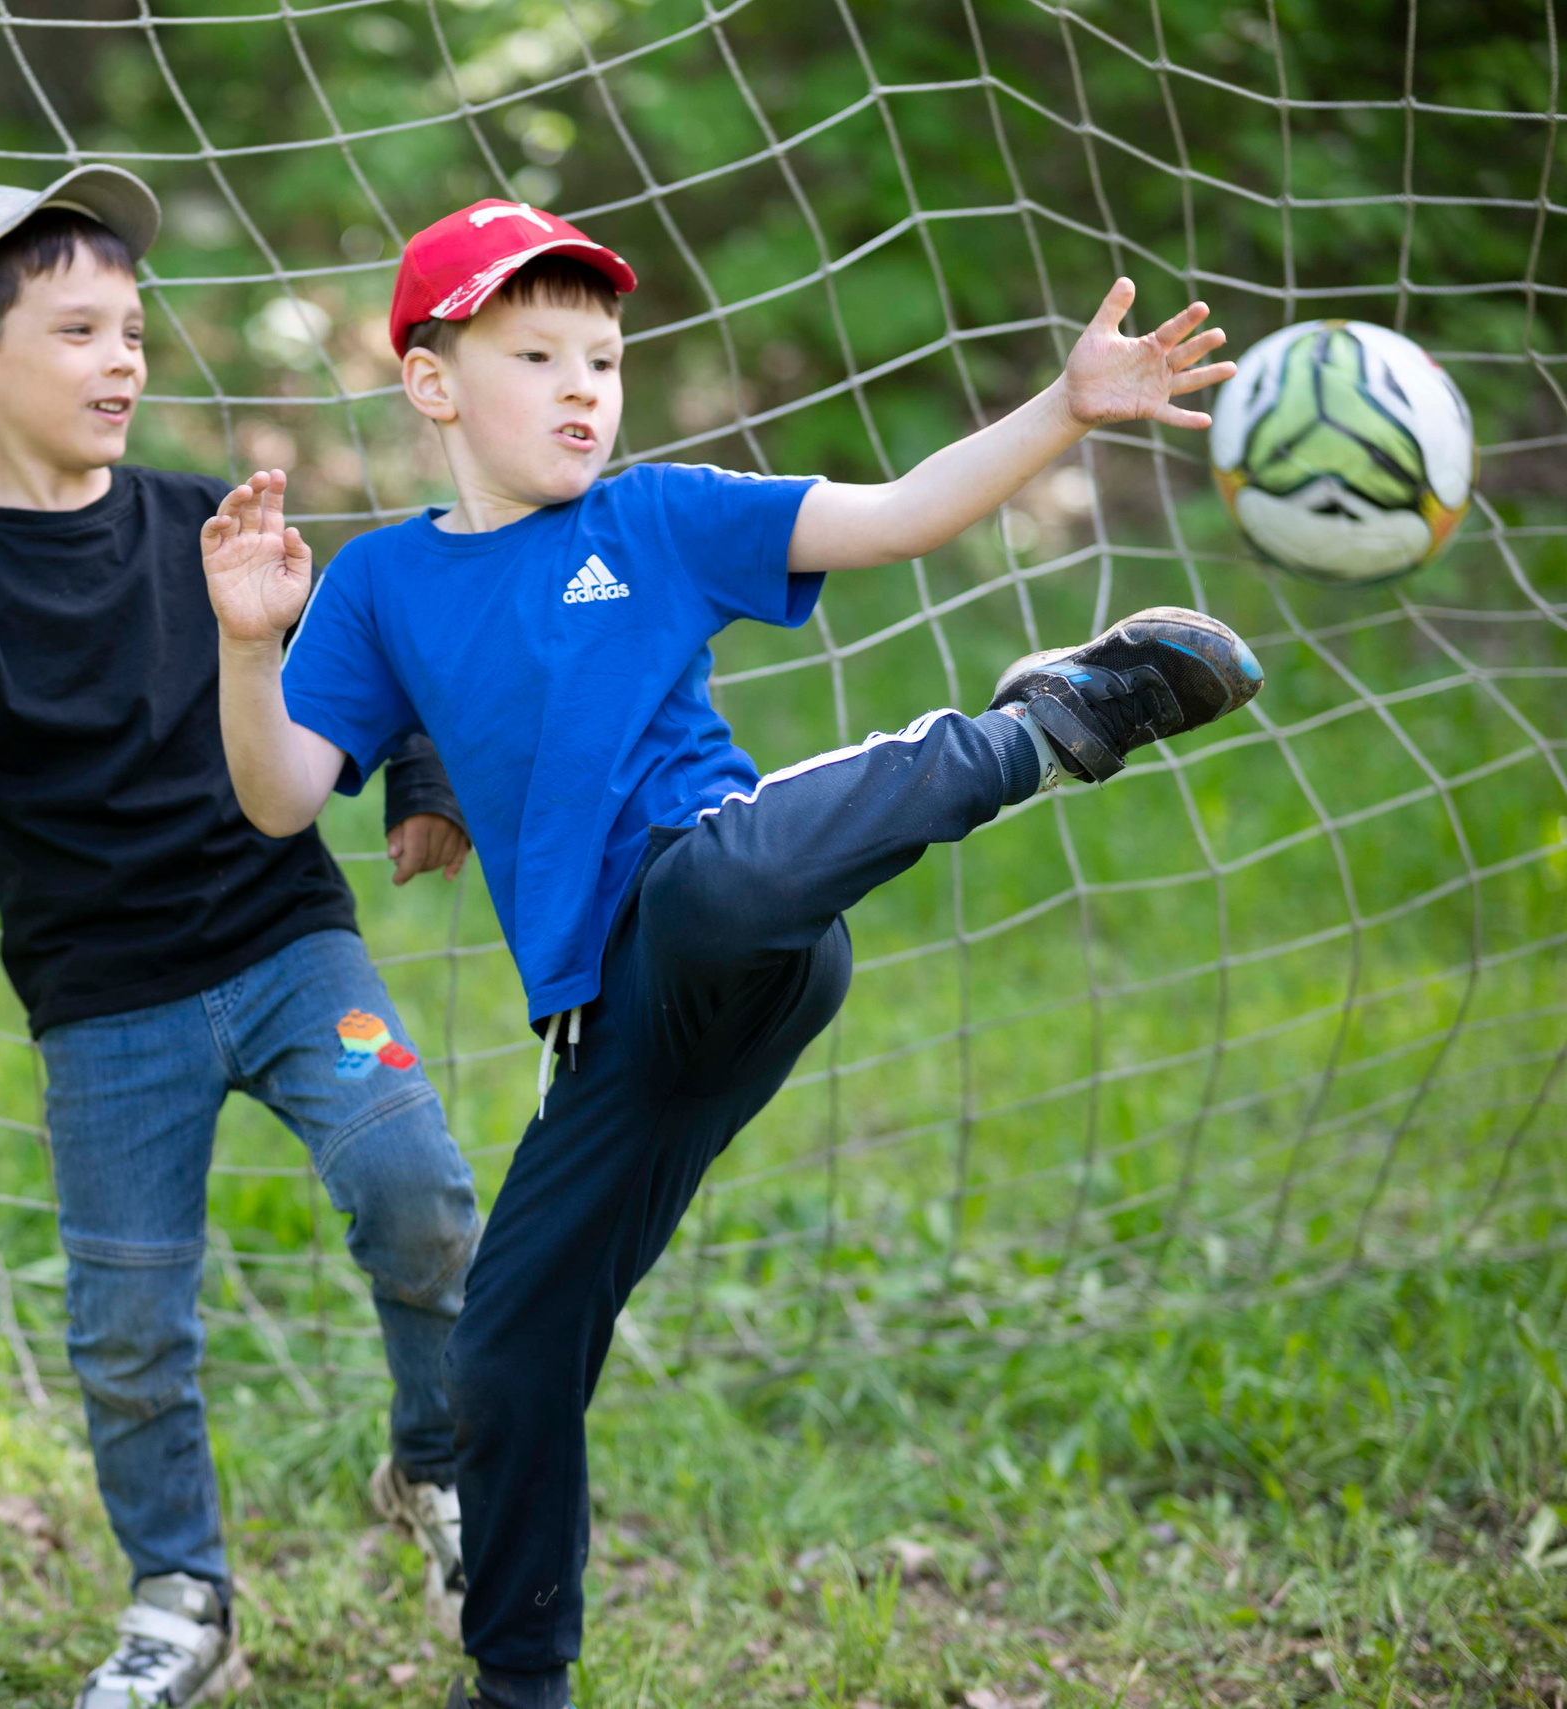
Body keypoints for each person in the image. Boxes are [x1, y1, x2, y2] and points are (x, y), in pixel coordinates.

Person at [198, 198, 1265, 1709]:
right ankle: (517, 1684)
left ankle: (1038, 731)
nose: (584, 387)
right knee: (503, 1355)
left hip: (739, 913)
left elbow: (900, 514)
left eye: (604, 359)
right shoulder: (381, 585)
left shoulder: (656, 518)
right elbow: (279, 795)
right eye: (538, 356)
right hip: (618, 1023)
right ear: (434, 382)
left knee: (719, 885)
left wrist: (1066, 406)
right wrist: (249, 644)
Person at [0, 167, 483, 1709]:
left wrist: (422, 778)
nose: (122, 357)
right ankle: (182, 1598)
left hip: (290, 947)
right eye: (78, 330)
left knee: (422, 1189)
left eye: (131, 328)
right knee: (129, 1326)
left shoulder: (208, 522)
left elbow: (365, 649)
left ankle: (440, 1465)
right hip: (108, 1008)